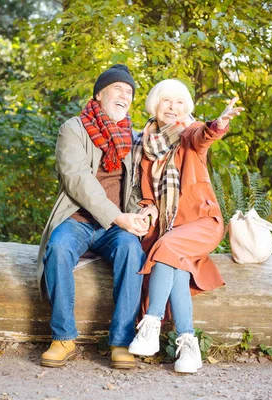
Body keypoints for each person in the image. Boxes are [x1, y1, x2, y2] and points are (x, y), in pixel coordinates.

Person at [128, 79, 244, 373]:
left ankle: (151, 324)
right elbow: (145, 195)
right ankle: (188, 345)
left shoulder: (188, 134)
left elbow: (203, 136)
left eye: (179, 102)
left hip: (202, 223)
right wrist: (149, 209)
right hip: (170, 229)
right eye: (167, 101)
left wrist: (218, 124)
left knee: (166, 246)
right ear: (155, 105)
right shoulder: (145, 144)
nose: (173, 108)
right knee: (176, 267)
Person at [37, 64, 149, 369]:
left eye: (129, 92)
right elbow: (76, 179)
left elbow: (137, 187)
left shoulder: (132, 137)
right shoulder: (73, 128)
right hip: (78, 220)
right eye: (118, 89)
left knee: (131, 249)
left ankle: (121, 342)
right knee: (58, 248)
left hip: (116, 227)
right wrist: (118, 217)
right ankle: (63, 338)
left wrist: (141, 212)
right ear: (99, 93)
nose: (125, 96)